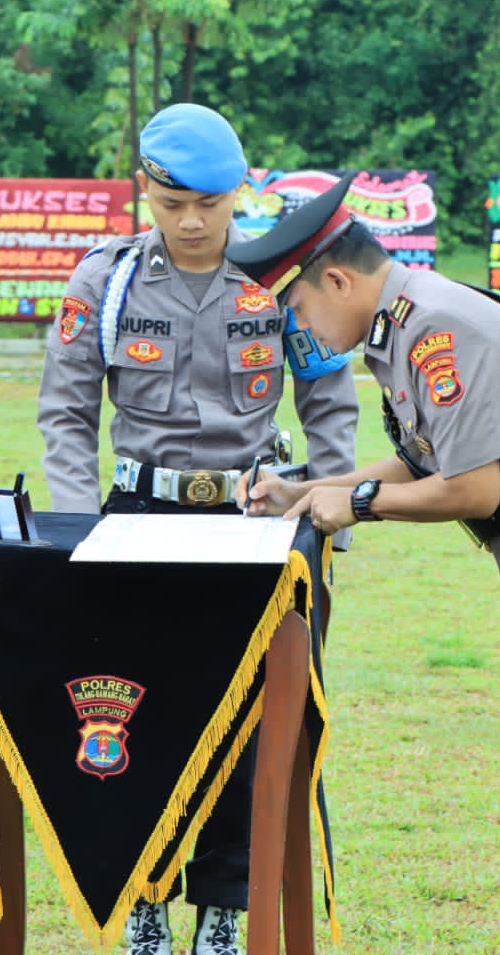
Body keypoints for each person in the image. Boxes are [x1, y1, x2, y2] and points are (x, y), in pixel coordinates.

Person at [227, 174, 500, 955]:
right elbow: (424, 459)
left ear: (337, 279)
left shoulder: (434, 328)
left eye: (295, 307)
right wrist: (306, 491)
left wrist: (359, 505)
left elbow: (469, 487)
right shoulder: (403, 323)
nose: (295, 326)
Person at [37, 103, 359, 955]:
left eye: (211, 205)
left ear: (238, 197)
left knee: (248, 718)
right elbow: (65, 416)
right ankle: (142, 898)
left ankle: (226, 903)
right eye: (172, 201)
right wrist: (75, 529)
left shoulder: (280, 280)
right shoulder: (102, 282)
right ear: (142, 187)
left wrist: (328, 515)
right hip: (135, 521)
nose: (191, 222)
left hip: (251, 520)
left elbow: (330, 404)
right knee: (134, 714)